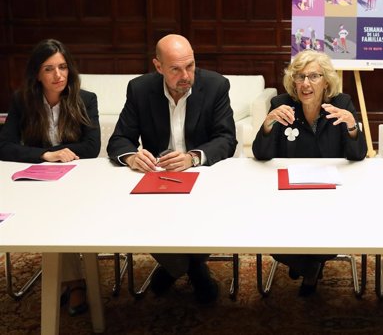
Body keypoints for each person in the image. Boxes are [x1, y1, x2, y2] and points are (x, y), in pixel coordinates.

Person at [107, 34, 236, 304]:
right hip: (159, 179)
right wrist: (131, 157)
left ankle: (173, 268)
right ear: (158, 67)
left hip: (203, 177)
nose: (186, 75)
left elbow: (226, 139)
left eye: (190, 66)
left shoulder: (215, 85)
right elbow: (119, 140)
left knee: (217, 213)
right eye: (175, 69)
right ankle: (191, 268)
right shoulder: (140, 89)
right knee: (136, 213)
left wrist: (192, 157)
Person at [252, 50, 367, 296]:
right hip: (290, 194)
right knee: (271, 238)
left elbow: (358, 155)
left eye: (314, 76)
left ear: (326, 81)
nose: (306, 84)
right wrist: (268, 124)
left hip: (331, 193)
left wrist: (352, 127)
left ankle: (307, 265)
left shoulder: (341, 103)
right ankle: (308, 266)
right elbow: (261, 155)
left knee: (334, 235)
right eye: (300, 76)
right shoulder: (281, 104)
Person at [0, 38, 100, 316]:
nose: (58, 75)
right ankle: (74, 281)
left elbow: (91, 148)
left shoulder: (84, 99)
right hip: (37, 179)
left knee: (61, 214)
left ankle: (74, 281)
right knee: (51, 214)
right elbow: (4, 146)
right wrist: (46, 155)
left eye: (63, 67)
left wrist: (48, 153)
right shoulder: (23, 100)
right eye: (49, 69)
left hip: (77, 180)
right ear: (37, 74)